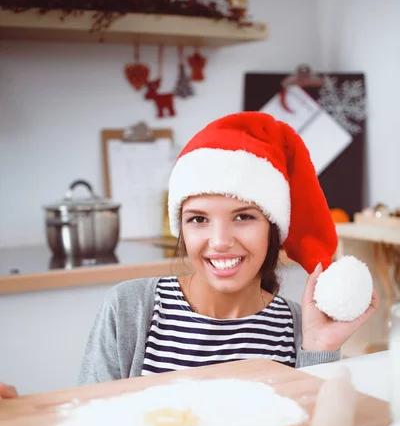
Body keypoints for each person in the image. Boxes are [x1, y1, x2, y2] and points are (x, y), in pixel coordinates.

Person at [0, 112, 378, 397]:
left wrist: (319, 350)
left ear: (272, 230)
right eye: (198, 219)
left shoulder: (298, 327)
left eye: (243, 217)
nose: (219, 241)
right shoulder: (131, 308)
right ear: (181, 228)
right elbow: (88, 424)